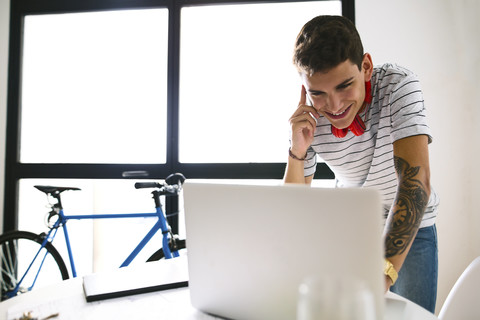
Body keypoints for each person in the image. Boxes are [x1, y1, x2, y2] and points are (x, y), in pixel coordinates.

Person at [284, 15, 439, 313]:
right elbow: (292, 210)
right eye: (318, 93)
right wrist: (298, 149)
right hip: (354, 229)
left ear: (366, 67)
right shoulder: (307, 119)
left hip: (412, 229)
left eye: (344, 86)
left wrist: (383, 272)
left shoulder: (398, 85)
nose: (334, 105)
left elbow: (415, 181)